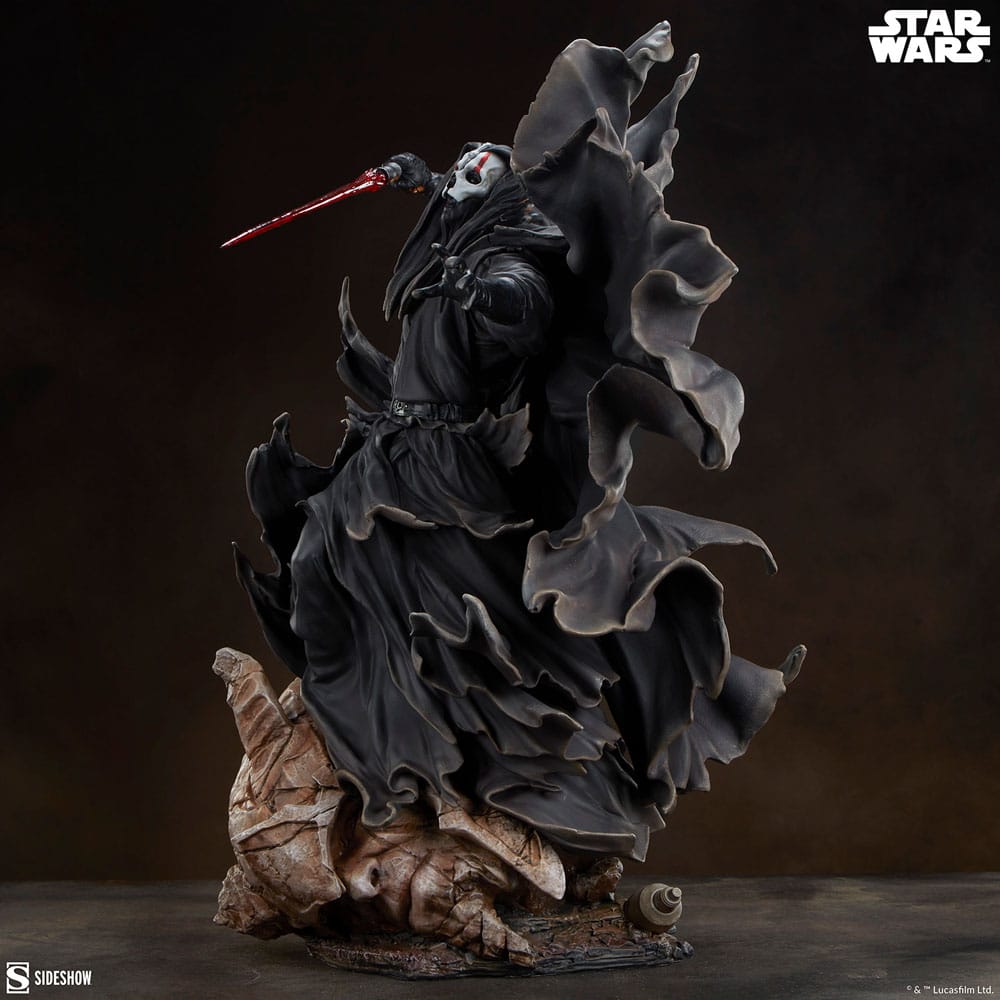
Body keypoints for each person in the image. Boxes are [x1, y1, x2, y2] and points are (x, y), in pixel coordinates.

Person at [235, 24, 804, 863]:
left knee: (442, 618)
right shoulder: (458, 231)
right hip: (393, 447)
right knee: (327, 560)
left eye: (476, 170)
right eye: (462, 167)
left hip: (436, 469)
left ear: (505, 193)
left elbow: (522, 318)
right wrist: (415, 179)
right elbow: (443, 190)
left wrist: (482, 289)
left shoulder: (511, 264)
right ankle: (386, 755)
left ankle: (472, 775)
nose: (459, 175)